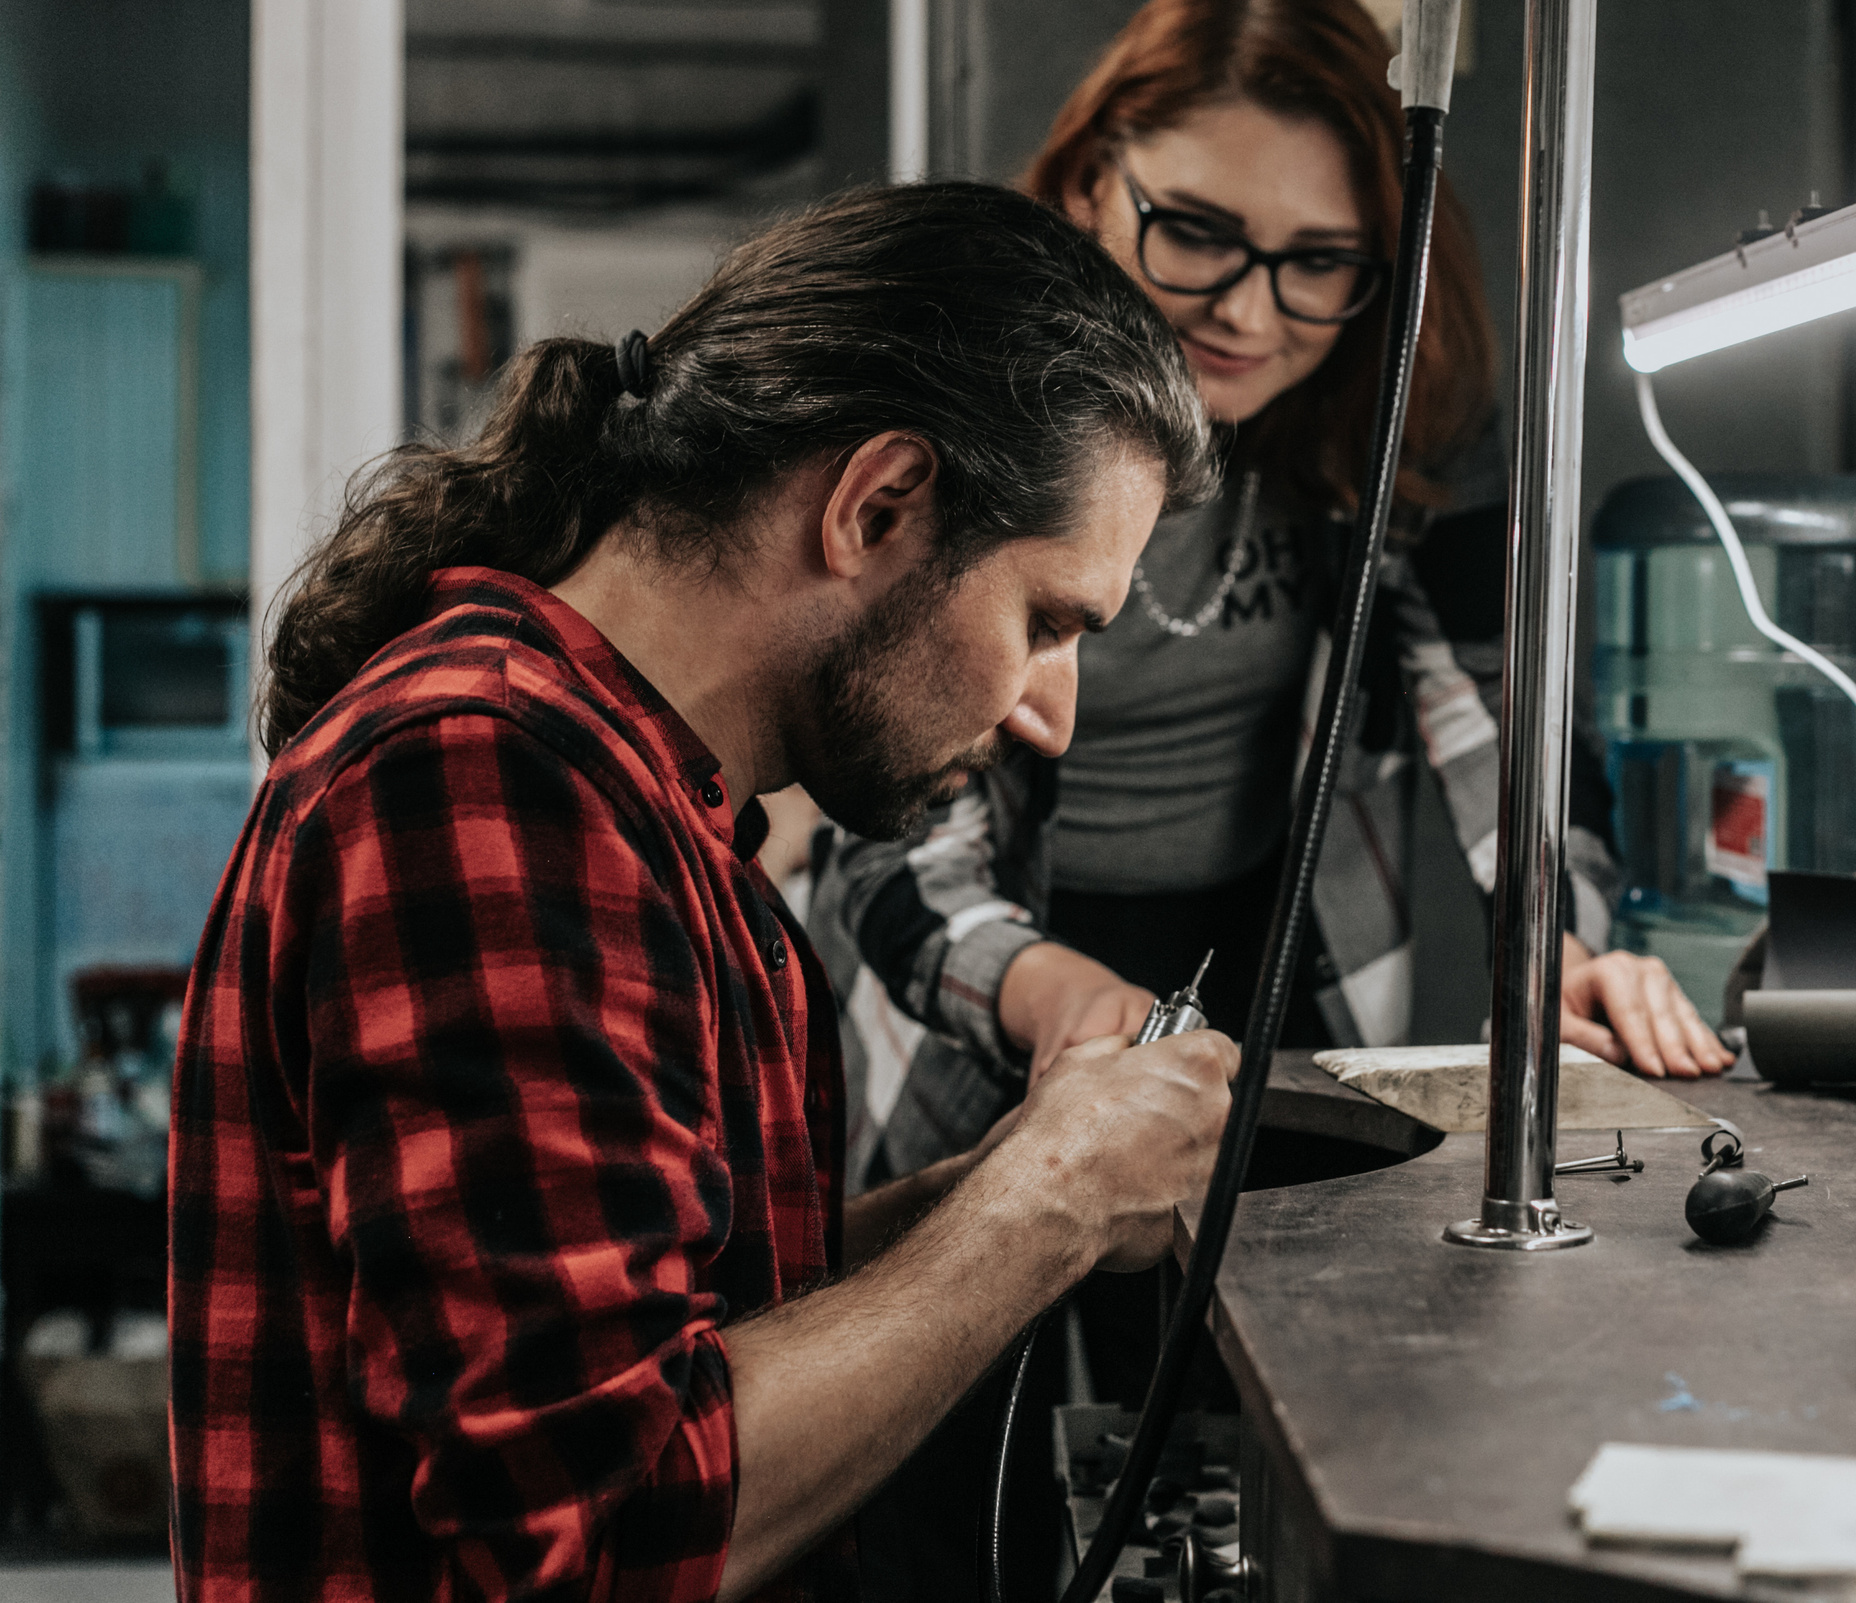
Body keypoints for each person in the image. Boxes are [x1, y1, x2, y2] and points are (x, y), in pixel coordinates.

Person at [166, 183, 1238, 1603]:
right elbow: (600, 1529)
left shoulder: (635, 798)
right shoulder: (485, 775)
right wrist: (1048, 1203)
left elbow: (677, 1304)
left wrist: (992, 1187)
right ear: (882, 501)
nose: (1054, 712)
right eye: (1045, 619)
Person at [801, 0, 1731, 1202]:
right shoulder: (965, 412)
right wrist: (1049, 994)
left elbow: (1501, 721)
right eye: (1196, 232)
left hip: (1267, 969)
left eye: (1319, 260)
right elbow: (892, 843)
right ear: (1087, 183)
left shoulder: (1397, 416)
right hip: (983, 976)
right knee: (952, 1311)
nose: (1245, 310)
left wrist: (1557, 945)